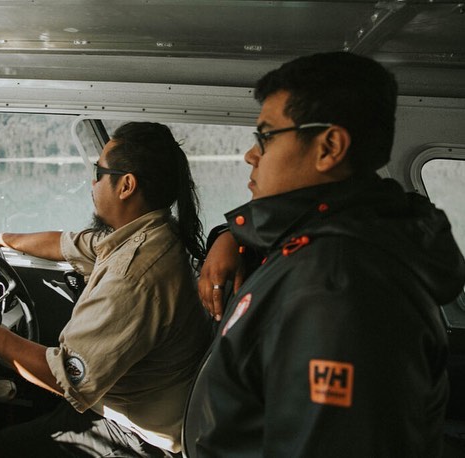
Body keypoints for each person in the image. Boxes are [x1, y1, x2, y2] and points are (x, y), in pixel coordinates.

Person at [183, 52, 465, 457]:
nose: (251, 155)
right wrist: (231, 235)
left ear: (329, 146)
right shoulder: (323, 244)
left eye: (265, 136)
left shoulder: (335, 287)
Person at [0, 122, 211, 457]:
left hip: (140, 437)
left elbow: (66, 377)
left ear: (126, 185)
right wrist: (1, 238)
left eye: (99, 172)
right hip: (125, 406)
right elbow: (67, 244)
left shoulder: (132, 277)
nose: (92, 182)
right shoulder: (149, 235)